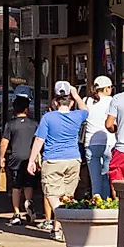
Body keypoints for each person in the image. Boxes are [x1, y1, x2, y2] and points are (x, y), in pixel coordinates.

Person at [32, 90, 88, 233]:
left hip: (52, 160)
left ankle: (63, 221)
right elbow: (85, 109)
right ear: (71, 103)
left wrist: (31, 160)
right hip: (73, 159)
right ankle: (58, 229)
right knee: (67, 195)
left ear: (56, 103)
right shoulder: (77, 115)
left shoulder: (48, 117)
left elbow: (39, 139)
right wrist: (76, 95)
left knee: (51, 194)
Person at [0, 96, 41, 225]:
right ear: (27, 109)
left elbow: (4, 142)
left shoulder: (10, 124)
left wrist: (1, 158)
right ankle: (28, 204)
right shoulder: (34, 124)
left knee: (16, 186)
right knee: (29, 184)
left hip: (15, 158)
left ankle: (16, 213)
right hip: (30, 158)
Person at [82, 75, 116, 199]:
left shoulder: (86, 100)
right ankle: (106, 204)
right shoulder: (113, 101)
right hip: (109, 142)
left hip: (91, 143)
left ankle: (96, 205)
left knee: (95, 181)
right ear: (106, 88)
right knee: (106, 178)